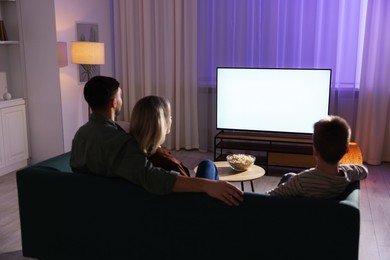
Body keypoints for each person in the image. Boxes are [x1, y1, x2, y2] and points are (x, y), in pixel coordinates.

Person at [70, 76, 243, 206]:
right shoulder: (120, 142)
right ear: (114, 102)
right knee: (208, 166)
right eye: (121, 96)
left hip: (93, 203)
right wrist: (207, 186)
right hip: (168, 209)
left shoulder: (80, 135)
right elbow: (153, 178)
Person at [266, 115, 368, 199]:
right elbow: (363, 171)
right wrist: (345, 168)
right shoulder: (348, 174)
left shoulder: (302, 181)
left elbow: (271, 196)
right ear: (347, 151)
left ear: (315, 151)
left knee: (288, 177)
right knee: (289, 175)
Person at [129, 95, 219, 180]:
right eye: (169, 116)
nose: (171, 118)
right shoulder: (165, 161)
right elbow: (189, 186)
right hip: (193, 195)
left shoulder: (130, 150)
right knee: (208, 165)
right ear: (161, 124)